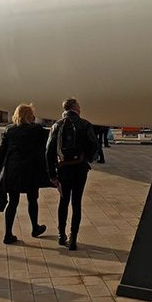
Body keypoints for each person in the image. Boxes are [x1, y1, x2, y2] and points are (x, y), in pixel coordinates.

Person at [45, 97, 99, 250]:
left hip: (63, 169)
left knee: (63, 201)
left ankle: (61, 236)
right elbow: (94, 146)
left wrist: (52, 174)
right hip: (80, 168)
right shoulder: (85, 124)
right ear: (75, 107)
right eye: (79, 105)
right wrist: (87, 159)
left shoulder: (57, 125)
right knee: (76, 203)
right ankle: (73, 238)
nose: (80, 108)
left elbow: (49, 151)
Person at [0, 103, 50, 244]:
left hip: (13, 171)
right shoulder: (36, 130)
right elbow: (49, 141)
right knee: (32, 200)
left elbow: (2, 153)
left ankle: (7, 234)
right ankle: (35, 228)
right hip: (31, 171)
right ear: (28, 115)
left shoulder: (9, 130)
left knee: (13, 202)